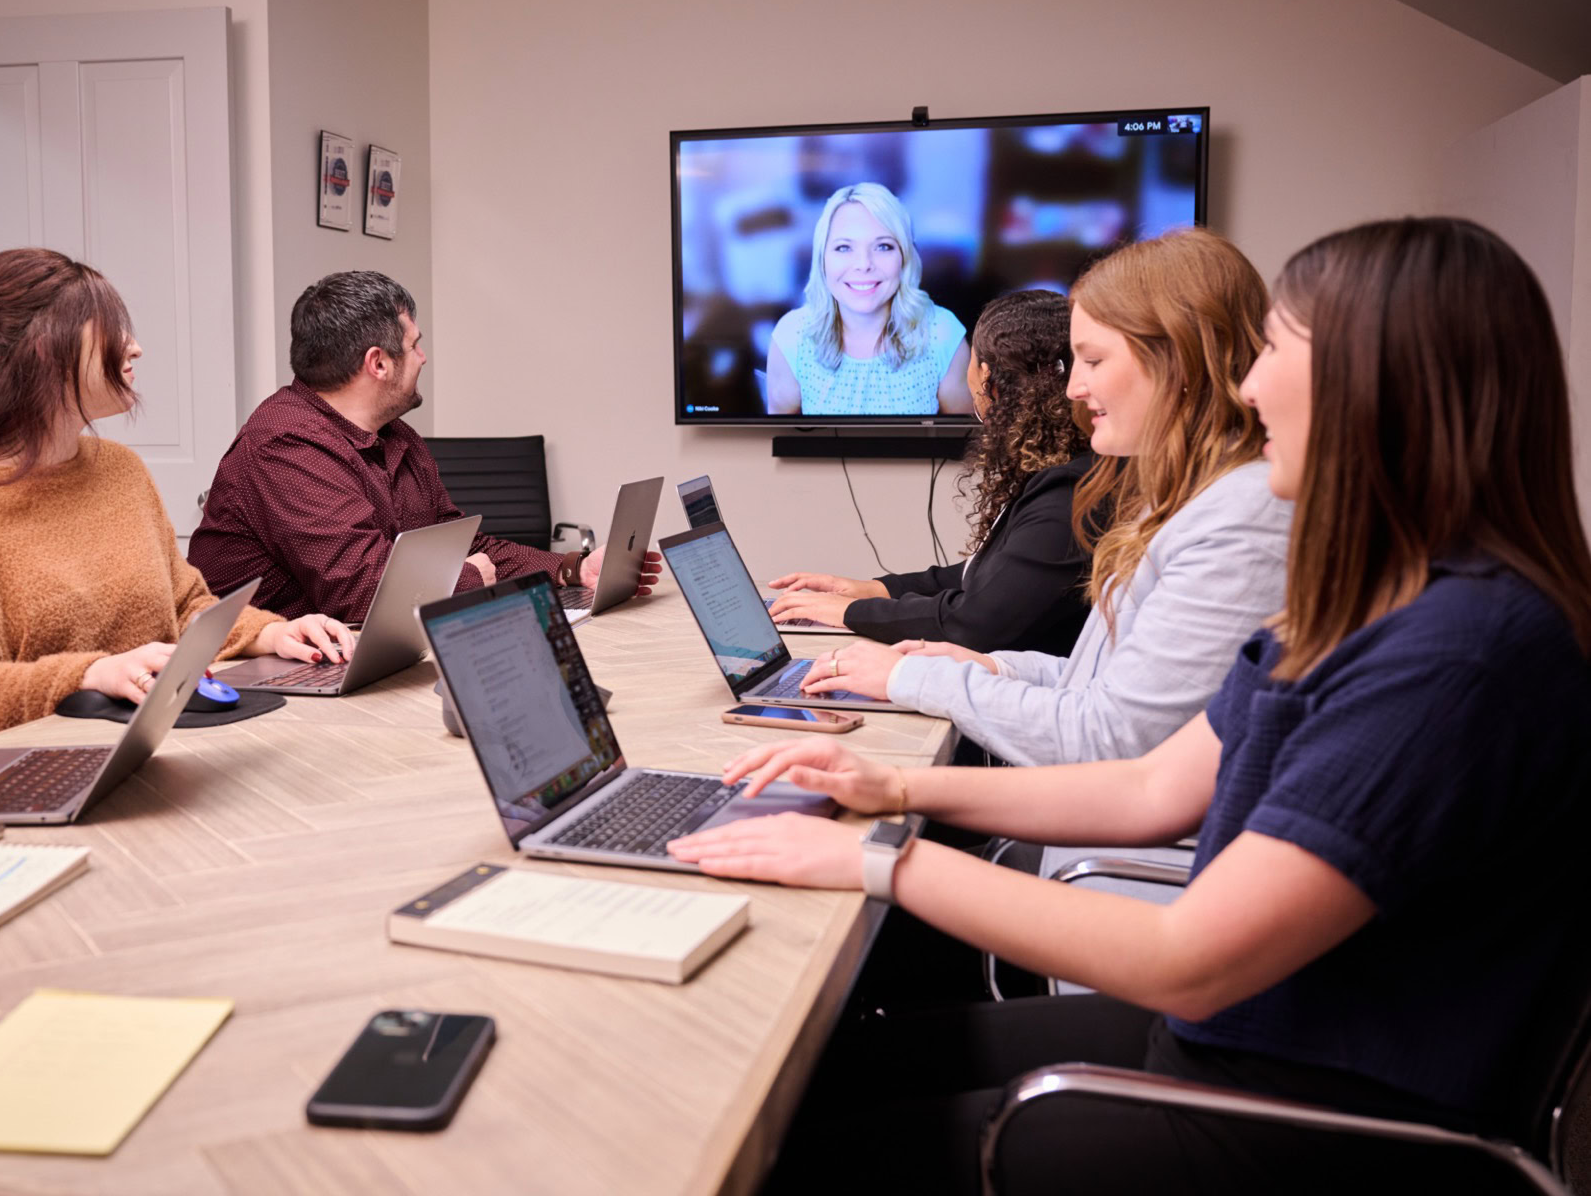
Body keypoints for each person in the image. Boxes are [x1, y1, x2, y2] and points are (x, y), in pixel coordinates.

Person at [675, 217, 1591, 1193]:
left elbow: (1184, 959)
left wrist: (872, 860)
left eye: (1274, 351)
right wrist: (884, 783)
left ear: (1379, 383)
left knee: (796, 1153)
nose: (1246, 386)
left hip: (1300, 1112)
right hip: (1255, 1038)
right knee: (824, 1075)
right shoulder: (1387, 594)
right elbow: (1154, 787)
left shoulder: (1455, 658)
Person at [808, 229, 1291, 766]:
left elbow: (1107, 739)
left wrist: (911, 679)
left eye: (1093, 361)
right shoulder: (1181, 497)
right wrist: (992, 669)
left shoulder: (1239, 515)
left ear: (1176, 358)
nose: (1072, 390)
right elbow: (1102, 683)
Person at [0, 249, 350, 751]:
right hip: (34, 774)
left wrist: (272, 634)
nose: (135, 347)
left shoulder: (121, 470)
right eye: (110, 328)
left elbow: (186, 605)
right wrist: (92, 674)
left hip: (159, 753)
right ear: (45, 350)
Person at [188, 271, 660, 622]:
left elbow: (464, 546)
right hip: (262, 678)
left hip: (362, 656)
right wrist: (473, 578)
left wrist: (572, 569)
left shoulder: (396, 435)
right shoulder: (285, 445)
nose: (423, 357)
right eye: (414, 345)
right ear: (378, 364)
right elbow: (362, 592)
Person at [766, 289, 1093, 651]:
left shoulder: (1068, 494)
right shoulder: (1064, 470)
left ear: (986, 376)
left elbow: (977, 620)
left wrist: (852, 611)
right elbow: (986, 576)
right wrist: (876, 590)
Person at [764, 182, 971, 417]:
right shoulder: (792, 337)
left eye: (883, 246)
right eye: (843, 248)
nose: (864, 264)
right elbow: (781, 438)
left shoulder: (943, 334)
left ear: (905, 257)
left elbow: (965, 441)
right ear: (822, 259)